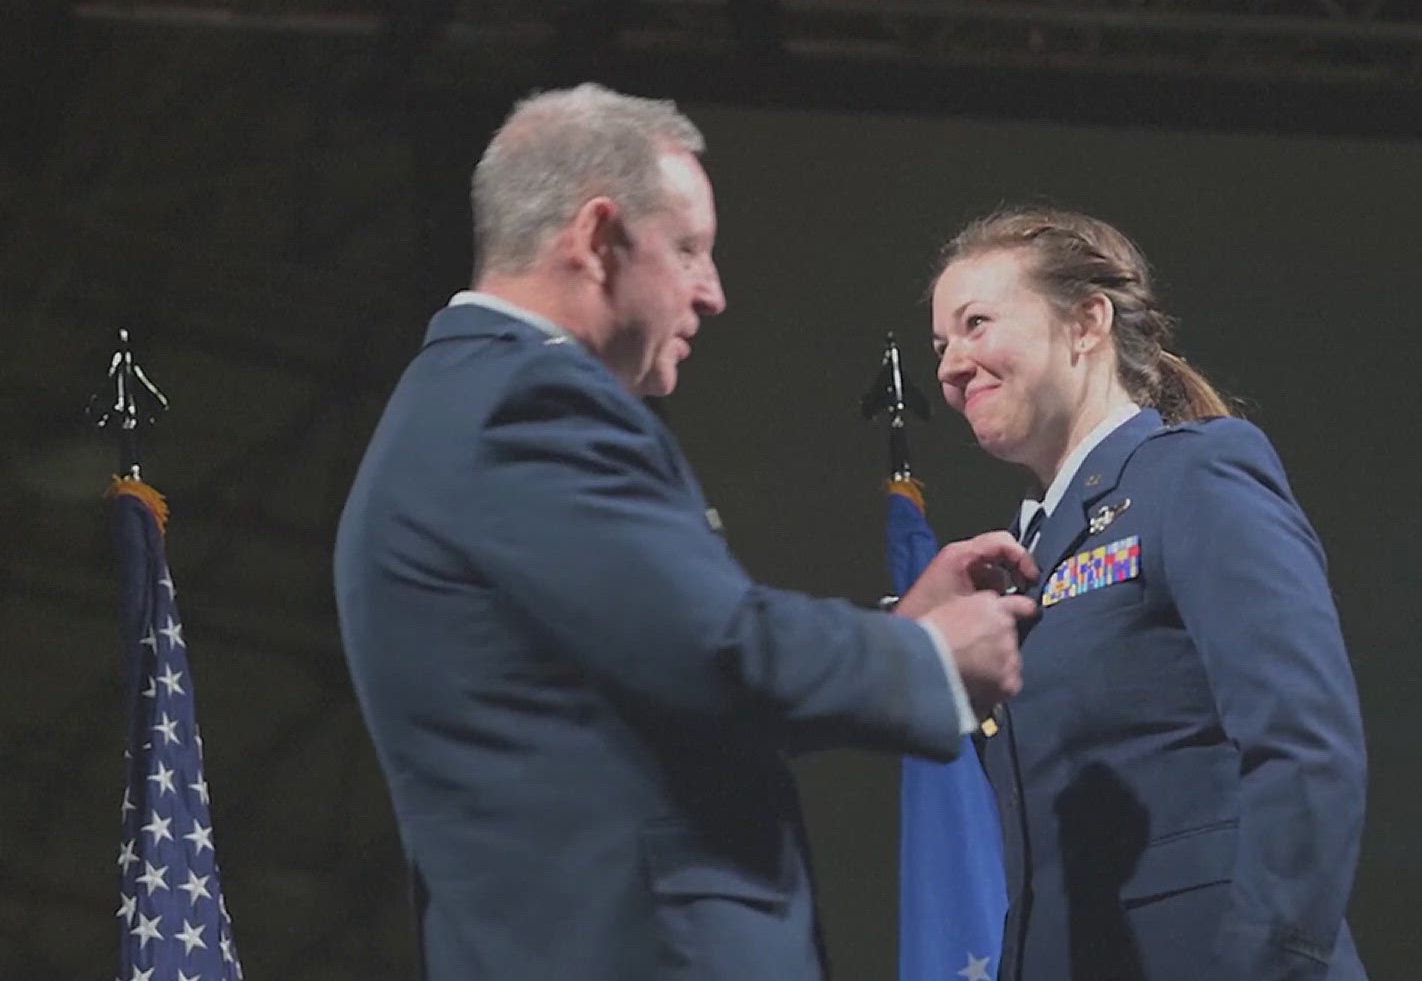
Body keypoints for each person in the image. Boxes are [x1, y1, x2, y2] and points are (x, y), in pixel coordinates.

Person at [332, 84, 1037, 980]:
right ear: (596, 238)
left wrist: (896, 629)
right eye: (690, 250)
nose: (714, 293)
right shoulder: (526, 407)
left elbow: (654, 671)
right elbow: (716, 650)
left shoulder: (459, 403)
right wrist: (928, 662)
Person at [928, 206, 1369, 980]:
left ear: (1087, 322)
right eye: (942, 344)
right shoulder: (1025, 550)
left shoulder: (1193, 476)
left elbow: (1305, 748)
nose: (951, 365)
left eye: (976, 324)